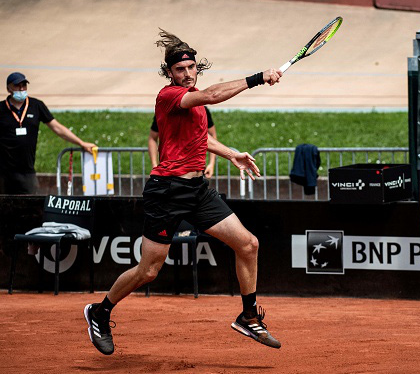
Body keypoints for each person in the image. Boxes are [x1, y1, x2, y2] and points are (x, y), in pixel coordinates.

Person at [84, 29, 282, 355]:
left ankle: (248, 315)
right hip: (167, 191)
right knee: (149, 270)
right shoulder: (169, 96)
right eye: (180, 69)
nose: (187, 74)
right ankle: (100, 311)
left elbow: (200, 138)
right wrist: (258, 77)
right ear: (169, 73)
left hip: (197, 190)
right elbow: (213, 95)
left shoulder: (196, 101)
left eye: (191, 68)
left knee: (248, 245)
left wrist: (230, 153)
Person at [0, 72, 96, 194]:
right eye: (17, 85)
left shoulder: (36, 105)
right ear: (8, 88)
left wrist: (81, 143)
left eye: (24, 85)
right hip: (3, 173)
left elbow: (57, 128)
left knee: (31, 208)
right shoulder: (1, 108)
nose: (22, 88)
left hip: (27, 172)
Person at [148, 107, 218, 177]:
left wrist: (211, 164)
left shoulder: (201, 109)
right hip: (170, 171)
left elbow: (211, 135)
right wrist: (154, 165)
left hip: (195, 171)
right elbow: (152, 138)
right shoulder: (164, 110)